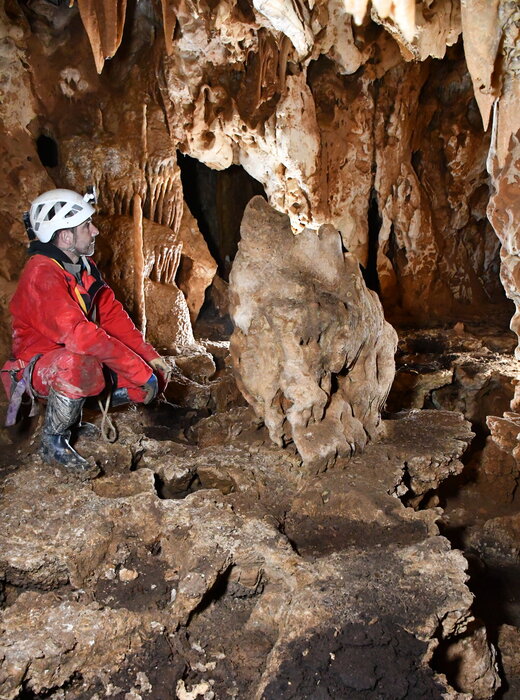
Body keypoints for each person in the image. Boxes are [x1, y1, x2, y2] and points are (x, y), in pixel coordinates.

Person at [1, 188, 172, 472]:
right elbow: (80, 336)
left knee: (152, 376)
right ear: (66, 237)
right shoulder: (41, 273)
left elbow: (112, 317)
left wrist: (148, 358)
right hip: (38, 368)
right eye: (86, 226)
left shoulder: (82, 267)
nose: (95, 231)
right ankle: (53, 441)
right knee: (79, 362)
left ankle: (75, 418)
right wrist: (136, 369)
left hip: (74, 360)